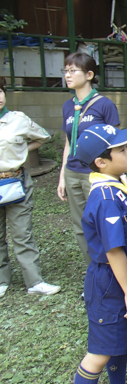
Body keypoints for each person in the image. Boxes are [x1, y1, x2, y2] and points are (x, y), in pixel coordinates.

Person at [72, 124, 127, 384]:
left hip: (123, 273)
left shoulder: (113, 186)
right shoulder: (106, 198)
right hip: (112, 281)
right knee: (99, 353)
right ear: (101, 162)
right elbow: (114, 250)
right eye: (122, 149)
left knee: (118, 340)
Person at [57, 52, 127, 267]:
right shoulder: (67, 107)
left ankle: (113, 269)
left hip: (96, 173)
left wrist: (120, 173)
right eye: (65, 70)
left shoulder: (104, 104)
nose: (67, 75)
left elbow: (115, 141)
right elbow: (69, 142)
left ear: (89, 74)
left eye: (73, 70)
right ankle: (94, 270)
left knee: (103, 222)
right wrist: (62, 176)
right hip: (73, 172)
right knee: (81, 225)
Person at [0, 83, 61, 298]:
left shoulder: (18, 119)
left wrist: (21, 150)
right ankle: (1, 280)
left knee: (22, 234)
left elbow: (43, 136)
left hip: (15, 182)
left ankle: (34, 282)